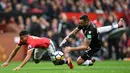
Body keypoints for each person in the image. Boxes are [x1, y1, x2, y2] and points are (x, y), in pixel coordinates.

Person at [60, 14, 124, 66]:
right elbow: (74, 32)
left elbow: (85, 47)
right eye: (80, 23)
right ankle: (118, 25)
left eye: (81, 23)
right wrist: (66, 38)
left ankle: (90, 62)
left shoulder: (90, 31)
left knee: (78, 62)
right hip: (92, 39)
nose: (80, 25)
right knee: (99, 30)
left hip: (94, 46)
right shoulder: (84, 24)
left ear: (87, 21)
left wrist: (71, 49)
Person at [1, 30, 74, 70]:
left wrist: (20, 66)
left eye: (22, 38)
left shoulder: (31, 42)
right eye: (20, 38)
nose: (21, 40)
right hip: (39, 47)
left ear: (26, 37)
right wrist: (7, 62)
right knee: (36, 61)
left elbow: (28, 56)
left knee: (55, 62)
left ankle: (67, 61)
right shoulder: (23, 40)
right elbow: (15, 50)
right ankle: (41, 56)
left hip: (48, 44)